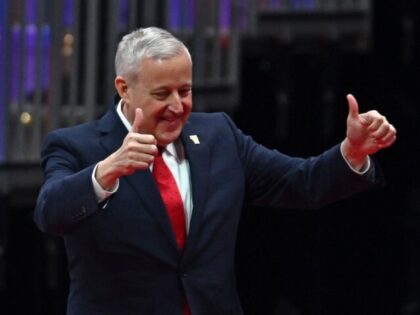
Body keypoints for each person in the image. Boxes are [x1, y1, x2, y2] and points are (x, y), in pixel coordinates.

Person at [34, 27, 396, 315]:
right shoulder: (77, 146)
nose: (178, 106)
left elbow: (301, 183)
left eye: (185, 90)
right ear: (124, 89)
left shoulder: (219, 135)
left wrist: (353, 150)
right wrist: (107, 171)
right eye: (163, 94)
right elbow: (50, 212)